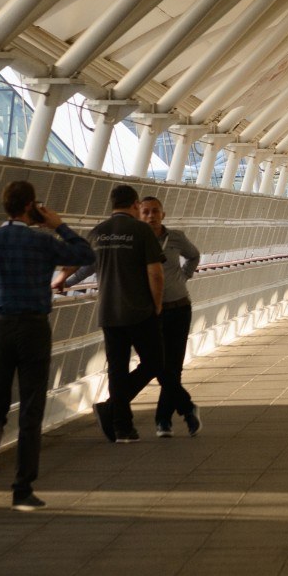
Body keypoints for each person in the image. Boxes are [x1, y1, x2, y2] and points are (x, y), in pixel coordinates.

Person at [0, 180, 94, 512]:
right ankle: (22, 488)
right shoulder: (42, 241)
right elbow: (85, 254)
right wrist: (58, 224)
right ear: (30, 207)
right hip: (33, 326)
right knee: (31, 406)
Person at [87, 182, 168, 443]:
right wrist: (157, 304)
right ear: (135, 205)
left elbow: (86, 267)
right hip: (139, 310)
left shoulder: (98, 233)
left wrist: (63, 278)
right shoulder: (141, 231)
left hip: (109, 312)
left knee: (117, 370)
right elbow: (155, 273)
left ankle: (122, 427)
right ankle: (111, 408)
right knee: (155, 362)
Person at [139, 196, 203, 439]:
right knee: (159, 365)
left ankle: (163, 420)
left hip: (179, 307)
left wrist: (183, 277)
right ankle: (187, 408)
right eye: (145, 212)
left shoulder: (175, 237)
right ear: (138, 214)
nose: (150, 216)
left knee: (173, 366)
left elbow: (194, 256)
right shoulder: (137, 240)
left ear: (163, 214)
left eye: (155, 211)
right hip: (152, 311)